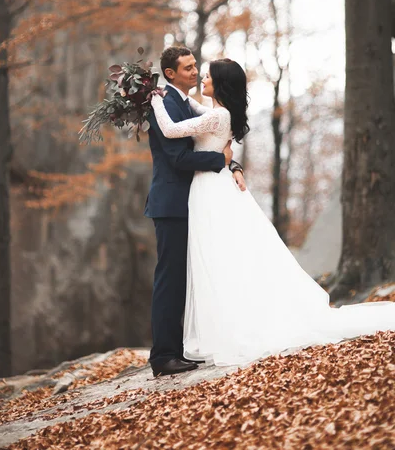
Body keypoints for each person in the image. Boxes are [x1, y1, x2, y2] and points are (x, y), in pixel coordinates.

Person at [150, 57, 395, 367]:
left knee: (218, 257)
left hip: (210, 190)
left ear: (220, 84)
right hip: (208, 188)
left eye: (208, 75)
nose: (202, 77)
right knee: (216, 257)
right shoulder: (216, 112)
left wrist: (155, 100)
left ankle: (231, 328)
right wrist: (230, 162)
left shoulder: (217, 116)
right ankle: (216, 329)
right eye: (198, 71)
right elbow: (202, 122)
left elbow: (172, 130)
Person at [144, 46, 245, 377]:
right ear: (170, 74)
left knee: (183, 277)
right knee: (170, 279)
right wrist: (223, 161)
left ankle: (178, 349)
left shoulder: (184, 103)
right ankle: (163, 356)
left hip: (190, 200)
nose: (195, 72)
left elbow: (214, 135)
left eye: (196, 67)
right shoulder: (167, 102)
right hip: (171, 202)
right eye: (188, 67)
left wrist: (232, 163)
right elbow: (178, 158)